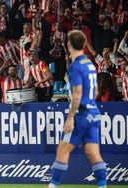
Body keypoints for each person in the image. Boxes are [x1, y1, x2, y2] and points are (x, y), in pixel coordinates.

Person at [48, 30, 107, 188]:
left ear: (69, 45)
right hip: (94, 114)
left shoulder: (75, 66)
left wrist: (70, 118)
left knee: (62, 150)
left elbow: (78, 93)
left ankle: (53, 185)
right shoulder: (89, 63)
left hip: (81, 115)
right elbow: (95, 91)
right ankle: (103, 186)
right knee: (93, 153)